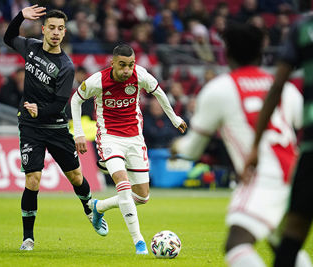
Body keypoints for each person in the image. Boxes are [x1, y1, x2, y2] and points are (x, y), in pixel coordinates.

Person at [170, 23, 312, 267]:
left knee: (236, 243)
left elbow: (192, 150)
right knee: (283, 241)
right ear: (261, 53)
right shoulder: (285, 88)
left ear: (227, 54)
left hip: (264, 175)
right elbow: (301, 122)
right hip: (296, 173)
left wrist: (176, 146)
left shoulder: (219, 89)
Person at [3, 5, 107, 251]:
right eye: (52, 27)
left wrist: (41, 110)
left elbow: (60, 103)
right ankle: (28, 238)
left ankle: (89, 209)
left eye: (60, 28)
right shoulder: (30, 47)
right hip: (30, 126)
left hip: (56, 126)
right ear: (43, 29)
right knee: (33, 179)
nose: (56, 32)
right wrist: (20, 16)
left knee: (76, 177)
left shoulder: (66, 65)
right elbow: (8, 38)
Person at [70, 44, 187, 254]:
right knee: (123, 186)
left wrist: (175, 118)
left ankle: (98, 207)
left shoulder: (140, 75)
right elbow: (76, 100)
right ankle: (139, 242)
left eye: (130, 65)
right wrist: (78, 132)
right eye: (122, 65)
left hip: (134, 139)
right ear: (112, 63)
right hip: (109, 138)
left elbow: (159, 93)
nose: (127, 70)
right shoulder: (98, 80)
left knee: (142, 196)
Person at [243, 13, 313, 267]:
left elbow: (276, 88)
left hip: (311, 147)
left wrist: (255, 145)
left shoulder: (304, 27)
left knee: (292, 229)